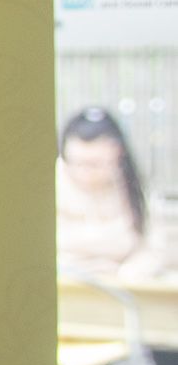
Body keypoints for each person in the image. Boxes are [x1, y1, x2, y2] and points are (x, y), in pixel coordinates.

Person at [60, 105, 153, 279]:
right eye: (78, 163)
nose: (85, 172)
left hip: (122, 286)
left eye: (95, 164)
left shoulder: (129, 186)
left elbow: (151, 247)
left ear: (117, 154)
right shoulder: (52, 186)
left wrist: (127, 272)